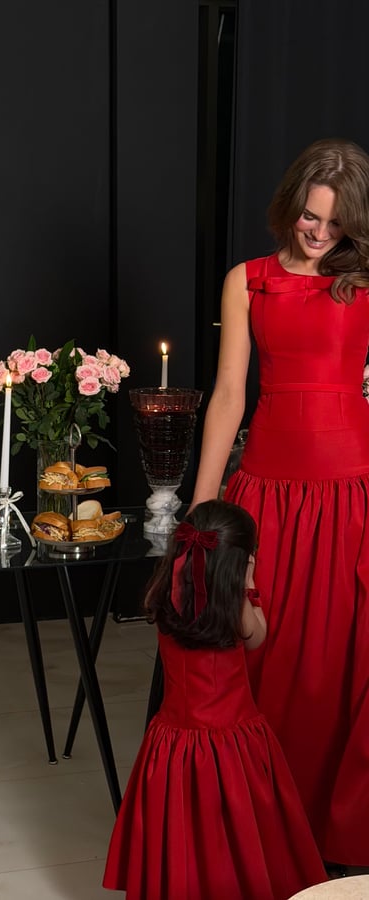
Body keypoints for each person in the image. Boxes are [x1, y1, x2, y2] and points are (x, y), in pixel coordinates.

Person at [189, 137, 369, 874]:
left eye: (335, 221)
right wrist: (202, 509)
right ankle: (260, 830)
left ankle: (339, 841)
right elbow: (230, 395)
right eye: (309, 216)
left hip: (352, 494)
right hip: (266, 492)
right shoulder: (249, 281)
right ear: (291, 204)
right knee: (265, 654)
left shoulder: (364, 283)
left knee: (341, 667)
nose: (319, 232)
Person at [102, 500, 327, 900]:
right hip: (231, 741)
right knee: (236, 825)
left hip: (175, 738)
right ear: (239, 563)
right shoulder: (235, 607)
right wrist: (249, 585)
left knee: (181, 820)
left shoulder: (162, 593)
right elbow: (258, 638)